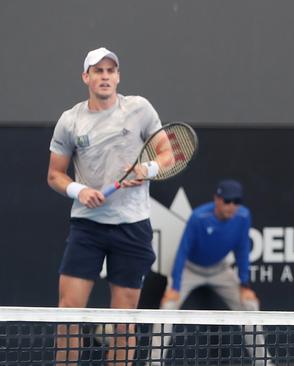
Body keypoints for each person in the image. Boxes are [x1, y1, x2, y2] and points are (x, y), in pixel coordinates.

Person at [47, 46, 164, 365]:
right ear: (86, 77)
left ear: (118, 76)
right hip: (87, 228)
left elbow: (169, 154)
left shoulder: (140, 109)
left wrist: (148, 169)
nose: (105, 76)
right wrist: (78, 190)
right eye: (98, 71)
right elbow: (55, 175)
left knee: (124, 321)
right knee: (68, 315)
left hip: (132, 228)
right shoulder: (70, 121)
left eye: (110, 71)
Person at [149, 180, 273, 366]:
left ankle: (264, 362)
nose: (231, 206)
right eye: (227, 201)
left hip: (220, 269)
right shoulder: (199, 217)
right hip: (190, 269)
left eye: (236, 201)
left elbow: (242, 250)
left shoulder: (243, 216)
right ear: (217, 199)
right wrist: (174, 287)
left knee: (250, 304)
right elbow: (183, 251)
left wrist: (244, 285)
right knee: (167, 308)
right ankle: (153, 363)